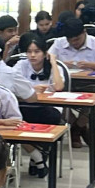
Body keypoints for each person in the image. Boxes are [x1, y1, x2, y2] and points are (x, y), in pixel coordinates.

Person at [12, 33, 65, 176]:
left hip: (49, 108)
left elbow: (59, 86)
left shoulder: (54, 66)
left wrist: (53, 62)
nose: (32, 55)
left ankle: (37, 157)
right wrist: (31, 89)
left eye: (37, 51)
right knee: (13, 120)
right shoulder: (21, 65)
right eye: (29, 52)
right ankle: (37, 157)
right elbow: (11, 86)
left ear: (44, 52)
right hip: (26, 106)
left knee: (49, 117)